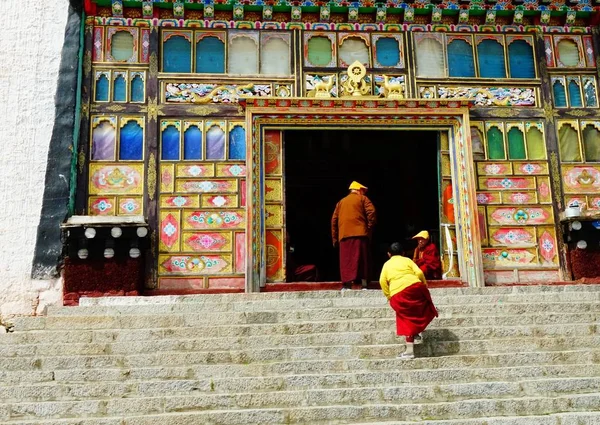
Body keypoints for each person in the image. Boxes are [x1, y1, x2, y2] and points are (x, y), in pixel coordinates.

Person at [379, 242, 438, 360]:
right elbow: (420, 273)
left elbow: (382, 281)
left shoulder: (387, 264)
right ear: (403, 253)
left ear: (389, 254)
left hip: (398, 292)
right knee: (419, 309)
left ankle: (409, 351)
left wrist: (389, 296)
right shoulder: (407, 260)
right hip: (415, 286)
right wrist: (424, 285)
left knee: (404, 318)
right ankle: (415, 332)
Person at [331, 181, 376, 291]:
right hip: (360, 234)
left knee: (347, 260)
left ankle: (346, 285)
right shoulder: (363, 199)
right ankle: (364, 284)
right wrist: (368, 227)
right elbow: (372, 212)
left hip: (344, 235)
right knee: (362, 260)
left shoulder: (341, 202)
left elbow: (334, 220)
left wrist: (335, 237)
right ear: (359, 190)